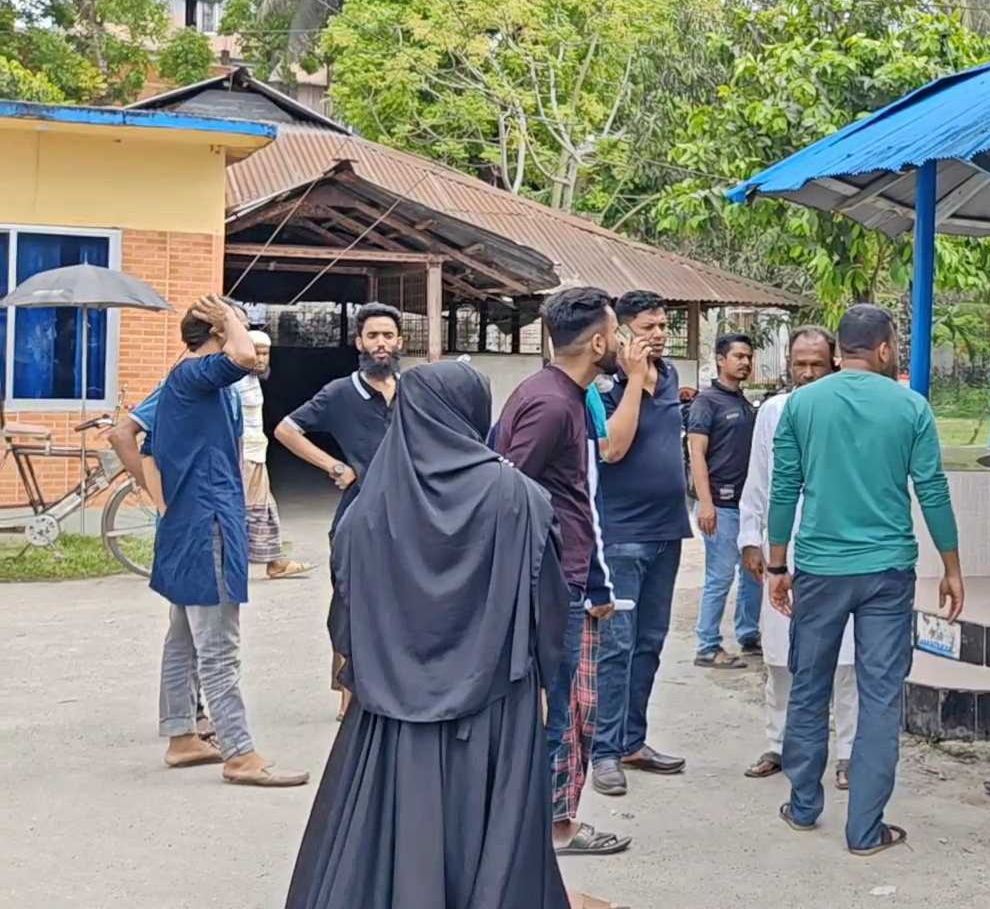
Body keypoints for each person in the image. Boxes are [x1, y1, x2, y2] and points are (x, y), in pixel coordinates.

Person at [285, 361, 575, 909]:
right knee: (490, 830)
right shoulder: (518, 496)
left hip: (390, 710)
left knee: (391, 828)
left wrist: (366, 669)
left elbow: (345, 609)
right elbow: (548, 609)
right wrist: (543, 678)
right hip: (495, 705)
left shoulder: (369, 503)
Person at [765, 304, 963, 855]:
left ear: (836, 352)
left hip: (822, 569)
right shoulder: (910, 407)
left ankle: (804, 807)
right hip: (887, 571)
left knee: (810, 685)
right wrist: (951, 566)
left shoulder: (801, 405)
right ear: (882, 349)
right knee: (880, 695)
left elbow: (785, 491)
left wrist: (778, 566)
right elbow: (932, 491)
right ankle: (865, 829)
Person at [132, 296, 306, 788]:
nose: (246, 334)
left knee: (182, 638)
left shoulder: (185, 382)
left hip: (189, 523)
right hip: (206, 523)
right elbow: (245, 357)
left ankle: (182, 735)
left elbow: (137, 442)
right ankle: (239, 753)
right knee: (218, 647)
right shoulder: (194, 376)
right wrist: (232, 318)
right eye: (235, 326)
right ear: (215, 335)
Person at [492, 287, 625, 858]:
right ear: (598, 342)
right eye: (616, 332)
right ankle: (548, 832)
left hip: (567, 575)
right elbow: (506, 488)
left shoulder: (562, 394)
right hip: (550, 582)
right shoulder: (550, 404)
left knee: (561, 706)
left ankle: (546, 825)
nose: (619, 341)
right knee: (555, 707)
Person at [738, 327, 858, 787]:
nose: (807, 373)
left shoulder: (850, 412)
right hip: (780, 553)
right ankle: (779, 742)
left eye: (816, 364)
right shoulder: (773, 411)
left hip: (839, 552)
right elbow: (759, 479)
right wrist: (751, 538)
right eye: (799, 364)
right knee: (778, 656)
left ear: (835, 364)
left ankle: (847, 753)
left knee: (846, 661)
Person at [276, 302, 403, 719]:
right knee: (350, 603)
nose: (380, 343)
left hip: (408, 516)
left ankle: (396, 687)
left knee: (403, 603)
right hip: (359, 518)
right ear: (358, 343)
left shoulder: (413, 391)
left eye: (387, 335)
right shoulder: (340, 392)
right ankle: (347, 695)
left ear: (399, 342)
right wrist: (334, 465)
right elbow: (286, 430)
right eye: (372, 336)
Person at [589, 290, 690, 796]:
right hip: (621, 534)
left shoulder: (669, 376)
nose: (658, 334)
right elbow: (613, 448)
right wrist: (631, 381)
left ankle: (632, 739)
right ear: (621, 332)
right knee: (617, 646)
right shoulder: (604, 385)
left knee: (650, 641)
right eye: (647, 327)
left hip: (668, 530)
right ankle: (603, 752)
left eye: (662, 326)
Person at [689, 332, 761, 669]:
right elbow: (696, 454)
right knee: (720, 576)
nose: (745, 362)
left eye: (748, 357)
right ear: (720, 360)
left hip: (747, 505)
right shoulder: (707, 403)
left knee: (752, 572)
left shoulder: (744, 403)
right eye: (738, 356)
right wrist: (706, 503)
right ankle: (707, 645)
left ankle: (749, 634)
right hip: (719, 504)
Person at [233, 331, 315, 579]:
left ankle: (275, 562)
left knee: (264, 509)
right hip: (241, 456)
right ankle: (237, 563)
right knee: (242, 511)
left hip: (256, 454)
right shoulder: (233, 381)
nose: (259, 359)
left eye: (264, 354)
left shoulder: (253, 380)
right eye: (255, 352)